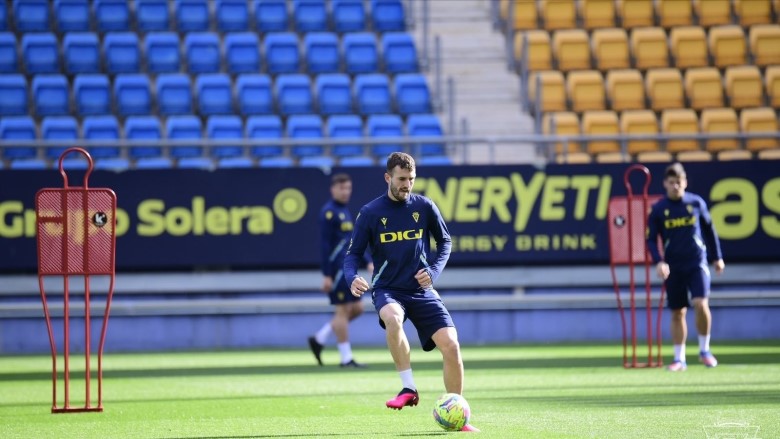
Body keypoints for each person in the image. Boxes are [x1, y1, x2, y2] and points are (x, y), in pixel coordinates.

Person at [343, 152, 479, 432]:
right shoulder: (370, 213)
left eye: (411, 179)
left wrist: (432, 273)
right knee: (392, 319)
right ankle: (408, 387)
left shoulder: (425, 206)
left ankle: (458, 414)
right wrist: (351, 277)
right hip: (388, 289)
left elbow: (445, 242)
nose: (407, 185)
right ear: (388, 177)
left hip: (421, 290)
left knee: (452, 346)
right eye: (402, 179)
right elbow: (352, 254)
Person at [646, 162, 725, 372]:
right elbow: (651, 240)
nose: (675, 186)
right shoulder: (659, 209)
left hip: (697, 263)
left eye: (678, 182)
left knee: (700, 303)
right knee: (677, 312)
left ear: (685, 182)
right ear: (665, 184)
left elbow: (709, 230)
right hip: (673, 266)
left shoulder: (696, 203)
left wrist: (717, 257)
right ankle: (679, 359)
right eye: (671, 182)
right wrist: (659, 261)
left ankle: (704, 350)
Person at [308, 173, 371, 368]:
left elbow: (352, 242)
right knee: (343, 311)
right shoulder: (329, 212)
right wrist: (327, 274)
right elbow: (325, 246)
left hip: (348, 268)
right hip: (337, 270)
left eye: (348, 188)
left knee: (357, 308)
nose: (345, 192)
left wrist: (367, 260)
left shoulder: (344, 211)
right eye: (342, 188)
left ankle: (320, 338)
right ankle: (346, 358)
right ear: (333, 189)